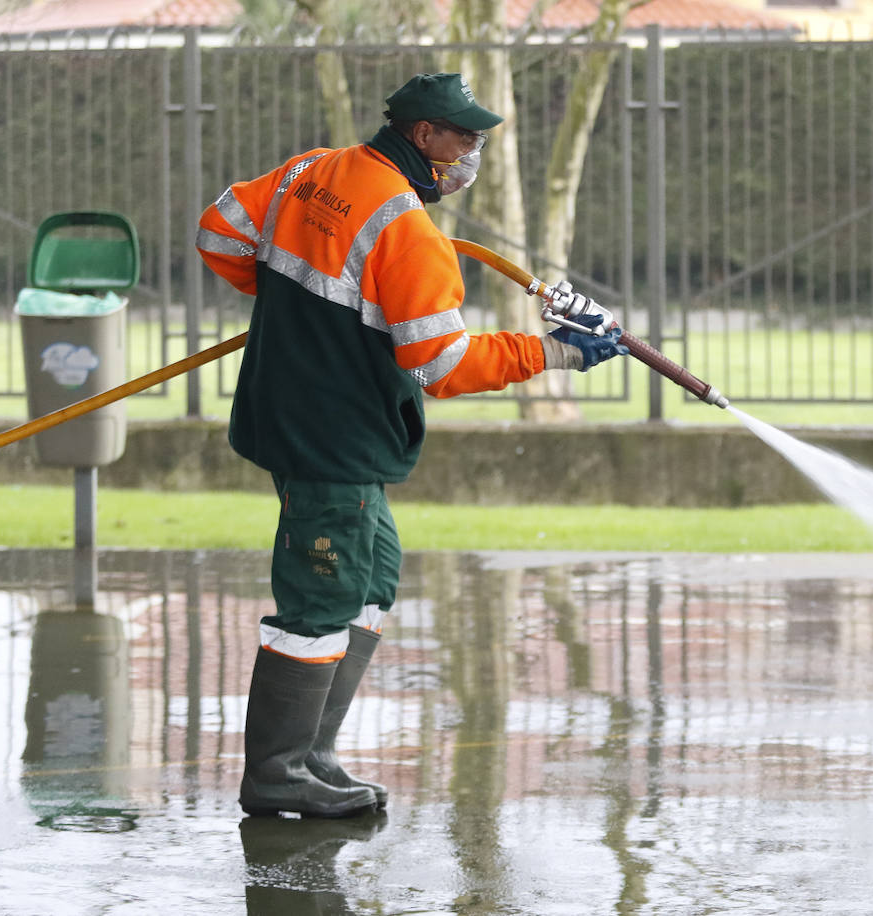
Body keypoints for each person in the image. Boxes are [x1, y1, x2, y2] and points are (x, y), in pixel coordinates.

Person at [196, 72, 627, 818]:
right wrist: (556, 354)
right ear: (423, 135)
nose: (473, 152)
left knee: (373, 578)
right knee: (321, 597)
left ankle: (310, 754)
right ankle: (275, 773)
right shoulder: (405, 228)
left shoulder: (311, 171)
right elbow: (443, 364)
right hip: (331, 435)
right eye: (464, 136)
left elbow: (219, 230)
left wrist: (289, 309)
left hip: (302, 415)